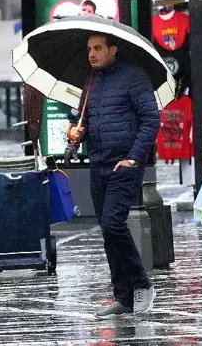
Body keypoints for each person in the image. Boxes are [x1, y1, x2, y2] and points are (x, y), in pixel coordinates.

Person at [67, 33, 159, 317]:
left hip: (124, 165)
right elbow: (84, 119)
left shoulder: (133, 76)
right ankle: (123, 297)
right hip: (99, 164)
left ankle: (142, 284)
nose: (92, 54)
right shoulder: (91, 80)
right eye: (89, 49)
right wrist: (75, 134)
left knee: (113, 223)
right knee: (108, 231)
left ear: (113, 50)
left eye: (98, 49)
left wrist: (133, 158)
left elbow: (150, 119)